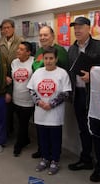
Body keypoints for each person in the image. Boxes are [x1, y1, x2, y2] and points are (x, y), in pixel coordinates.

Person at [67, 16, 100, 183]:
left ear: (88, 28)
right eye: (75, 28)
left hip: (94, 97)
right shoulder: (71, 49)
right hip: (77, 95)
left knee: (97, 132)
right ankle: (86, 159)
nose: (77, 30)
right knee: (83, 130)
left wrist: (93, 77)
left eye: (80, 27)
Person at [27, 46, 71, 175]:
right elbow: (31, 89)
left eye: (51, 58)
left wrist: (51, 104)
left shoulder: (62, 73)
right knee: (43, 138)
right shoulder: (38, 73)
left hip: (55, 114)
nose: (48, 61)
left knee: (55, 138)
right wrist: (39, 102)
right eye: (46, 58)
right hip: (40, 112)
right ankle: (45, 159)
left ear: (56, 59)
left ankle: (55, 160)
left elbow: (66, 92)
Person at [31, 25, 69, 159]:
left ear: (52, 36)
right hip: (40, 94)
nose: (42, 37)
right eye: (40, 35)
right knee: (42, 129)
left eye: (45, 35)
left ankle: (53, 157)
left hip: (54, 96)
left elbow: (63, 73)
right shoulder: (39, 51)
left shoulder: (60, 51)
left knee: (53, 131)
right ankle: (43, 152)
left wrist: (53, 101)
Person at [0, 19, 24, 136]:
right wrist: (3, 76)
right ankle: (8, 131)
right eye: (4, 28)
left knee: (19, 106)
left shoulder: (21, 41)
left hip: (19, 75)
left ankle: (20, 133)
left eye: (8, 27)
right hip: (4, 76)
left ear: (13, 28)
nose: (6, 30)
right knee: (7, 105)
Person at [11, 41, 34, 157]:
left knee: (23, 124)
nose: (18, 51)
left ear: (28, 52)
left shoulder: (34, 62)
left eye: (21, 49)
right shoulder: (14, 62)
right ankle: (26, 139)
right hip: (16, 98)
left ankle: (18, 145)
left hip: (28, 100)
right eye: (18, 49)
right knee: (20, 122)